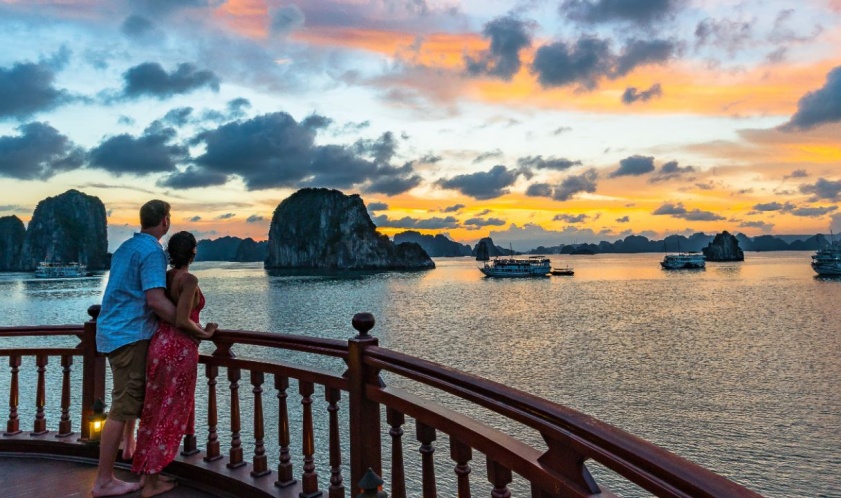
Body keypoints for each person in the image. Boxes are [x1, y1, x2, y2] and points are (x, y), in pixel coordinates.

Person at [93, 200, 177, 498]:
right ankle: (103, 480)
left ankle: (130, 448)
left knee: (131, 396)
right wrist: (188, 325)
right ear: (165, 221)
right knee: (123, 404)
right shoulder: (153, 251)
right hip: (129, 335)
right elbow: (155, 299)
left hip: (113, 332)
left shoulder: (126, 249)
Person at [132, 231, 217, 497]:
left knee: (155, 408)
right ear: (193, 251)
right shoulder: (189, 279)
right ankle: (153, 481)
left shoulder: (166, 277)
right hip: (179, 350)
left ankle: (148, 474)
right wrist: (206, 333)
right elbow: (182, 319)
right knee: (172, 413)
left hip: (158, 345)